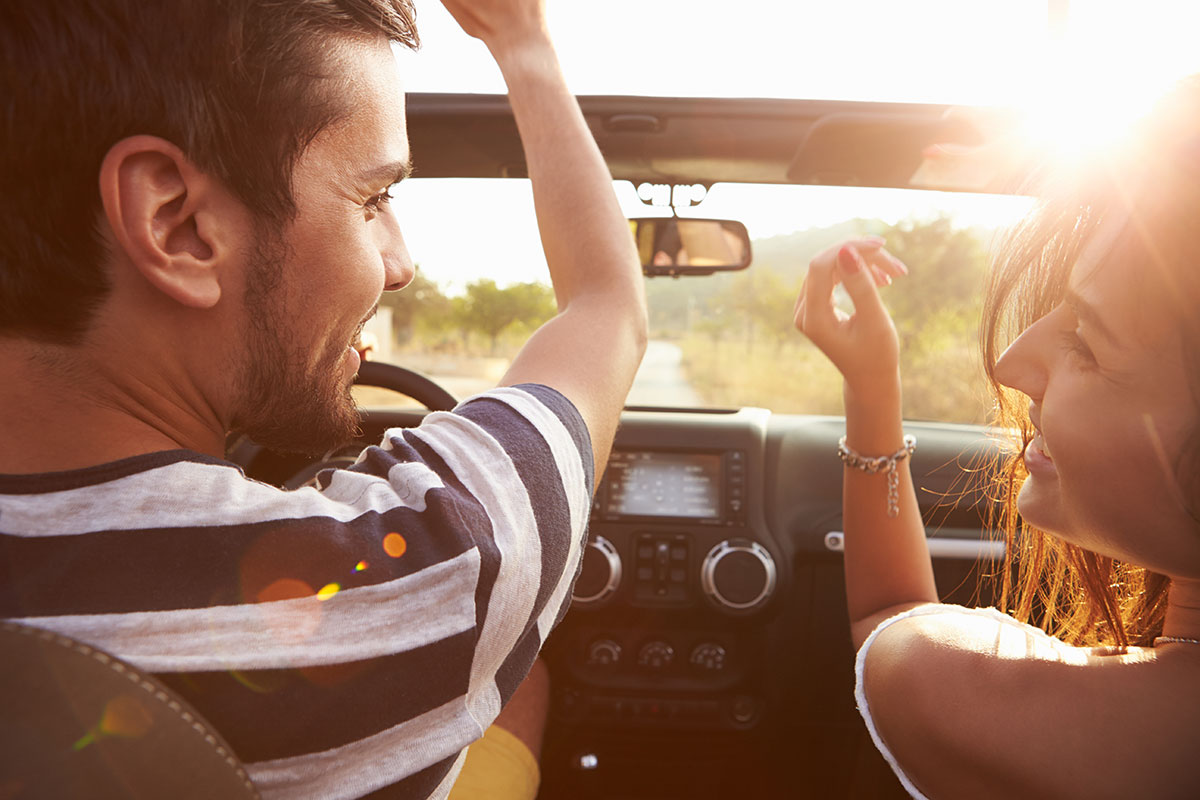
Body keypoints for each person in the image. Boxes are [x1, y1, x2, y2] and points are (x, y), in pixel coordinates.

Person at [0, 1, 647, 799]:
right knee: (528, 681)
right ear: (177, 225)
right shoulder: (418, 574)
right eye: (373, 200)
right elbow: (607, 310)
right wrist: (524, 42)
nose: (400, 262)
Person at [793, 79, 1200, 798]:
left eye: (1089, 342)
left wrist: (871, 384)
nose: (1013, 365)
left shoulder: (1009, 712)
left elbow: (892, 623)